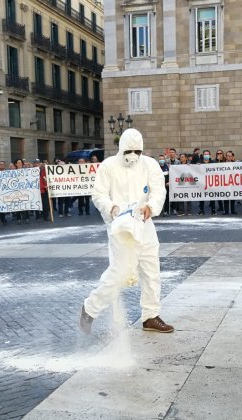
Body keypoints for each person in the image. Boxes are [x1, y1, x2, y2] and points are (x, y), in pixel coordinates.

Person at [79, 128, 174, 334]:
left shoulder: (149, 165)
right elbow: (99, 194)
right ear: (121, 148)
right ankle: (90, 308)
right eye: (128, 151)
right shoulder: (108, 166)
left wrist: (151, 206)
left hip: (144, 224)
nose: (133, 156)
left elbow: (159, 191)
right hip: (120, 226)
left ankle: (150, 316)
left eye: (137, 152)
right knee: (120, 272)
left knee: (151, 271)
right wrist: (111, 208)